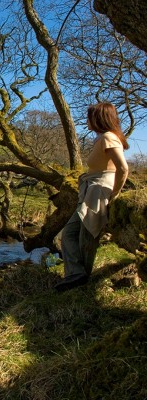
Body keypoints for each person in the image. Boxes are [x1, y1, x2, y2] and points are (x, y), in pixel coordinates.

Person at [55, 102, 129, 292]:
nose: (86, 121)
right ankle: (76, 274)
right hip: (92, 188)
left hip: (99, 190)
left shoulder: (108, 137)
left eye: (89, 117)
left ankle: (81, 280)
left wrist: (115, 193)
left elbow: (123, 168)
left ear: (98, 118)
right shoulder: (102, 138)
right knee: (70, 233)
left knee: (88, 235)